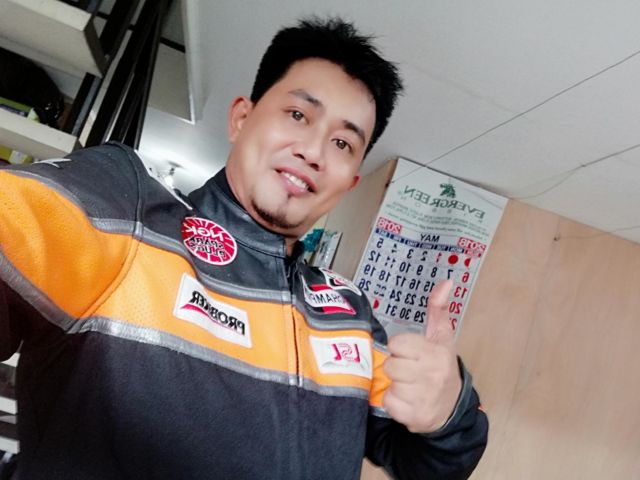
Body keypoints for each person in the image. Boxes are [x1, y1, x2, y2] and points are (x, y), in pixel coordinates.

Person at [0, 17, 488, 479]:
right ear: (241, 118)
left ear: (350, 183)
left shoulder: (350, 315)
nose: (313, 151)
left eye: (343, 144)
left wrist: (450, 414)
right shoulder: (129, 212)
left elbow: (427, 465)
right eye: (298, 115)